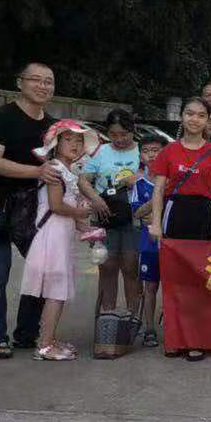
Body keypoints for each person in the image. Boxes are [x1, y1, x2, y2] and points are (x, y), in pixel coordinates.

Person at [0, 61, 60, 358]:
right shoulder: (0, 118)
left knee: (43, 268)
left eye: (48, 81)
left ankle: (26, 333)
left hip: (33, 211)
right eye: (36, 79)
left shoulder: (53, 127)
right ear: (20, 82)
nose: (43, 86)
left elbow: (62, 164)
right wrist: (37, 172)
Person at [149, 97, 211, 361]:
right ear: (182, 117)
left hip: (203, 216)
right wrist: (156, 223)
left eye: (201, 115)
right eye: (190, 114)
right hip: (174, 215)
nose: (194, 119)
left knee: (199, 280)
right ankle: (174, 338)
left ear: (209, 120)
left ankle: (196, 339)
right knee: (173, 280)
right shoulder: (168, 152)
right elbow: (158, 190)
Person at [16, 120, 100, 360]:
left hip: (60, 236)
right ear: (55, 144)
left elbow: (65, 207)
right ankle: (44, 346)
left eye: (79, 140)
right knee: (55, 291)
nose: (75, 144)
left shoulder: (67, 170)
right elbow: (56, 206)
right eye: (68, 139)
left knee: (56, 291)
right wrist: (80, 212)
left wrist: (84, 224)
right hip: (51, 237)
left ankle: (48, 338)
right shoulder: (55, 169)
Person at [82, 108, 143, 317]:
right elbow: (83, 180)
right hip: (105, 217)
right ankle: (107, 316)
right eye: (113, 134)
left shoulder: (142, 151)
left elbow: (156, 179)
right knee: (107, 267)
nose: (119, 139)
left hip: (134, 218)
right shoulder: (101, 151)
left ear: (132, 130)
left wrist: (137, 180)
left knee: (131, 267)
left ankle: (133, 317)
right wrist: (95, 198)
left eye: (124, 134)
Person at [130, 136, 165, 347]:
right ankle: (149, 328)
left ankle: (173, 328)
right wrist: (158, 197)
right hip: (149, 244)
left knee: (172, 288)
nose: (152, 155)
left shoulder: (174, 180)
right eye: (146, 151)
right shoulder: (140, 183)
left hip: (170, 244)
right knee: (150, 287)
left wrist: (152, 214)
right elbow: (137, 213)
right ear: (141, 156)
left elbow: (153, 215)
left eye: (156, 150)